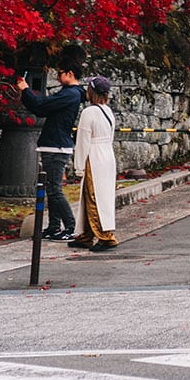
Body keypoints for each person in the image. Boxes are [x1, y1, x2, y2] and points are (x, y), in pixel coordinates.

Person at [15, 51, 86, 242]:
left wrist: (26, 90)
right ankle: (54, 226)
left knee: (54, 189)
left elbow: (42, 105)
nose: (57, 76)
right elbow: (41, 106)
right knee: (50, 188)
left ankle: (70, 226)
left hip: (57, 146)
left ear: (70, 74)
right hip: (52, 144)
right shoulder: (70, 94)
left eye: (60, 72)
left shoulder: (71, 94)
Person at [70, 76, 118, 252]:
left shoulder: (88, 113)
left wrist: (79, 166)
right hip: (107, 154)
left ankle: (105, 236)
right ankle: (86, 234)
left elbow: (83, 141)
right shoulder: (108, 111)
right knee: (102, 195)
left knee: (93, 196)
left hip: (94, 155)